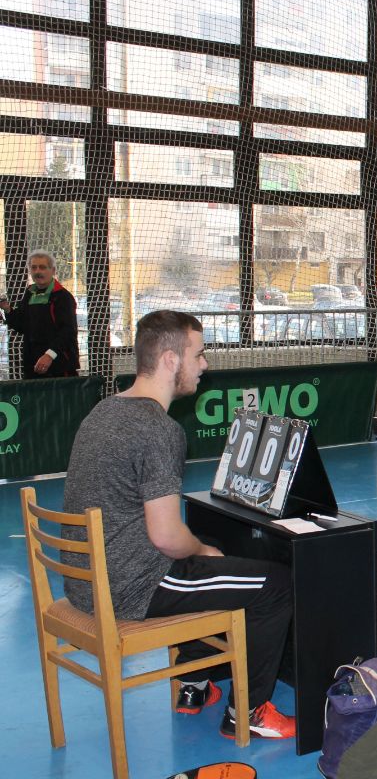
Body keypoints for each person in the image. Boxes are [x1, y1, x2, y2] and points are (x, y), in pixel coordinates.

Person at [60, 310, 295, 739]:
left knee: (207, 547)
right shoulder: (159, 429)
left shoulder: (103, 411)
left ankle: (194, 685)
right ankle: (249, 712)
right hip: (131, 589)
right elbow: (167, 537)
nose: (204, 365)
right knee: (276, 584)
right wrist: (203, 552)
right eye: (199, 355)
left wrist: (202, 548)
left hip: (85, 582)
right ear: (170, 360)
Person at [0, 249, 80, 378]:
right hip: (33, 364)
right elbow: (22, 326)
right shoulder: (30, 293)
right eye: (34, 267)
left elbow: (68, 331)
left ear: (53, 270)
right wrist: (7, 309)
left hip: (59, 366)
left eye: (42, 267)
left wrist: (49, 355)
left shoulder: (63, 297)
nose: (38, 271)